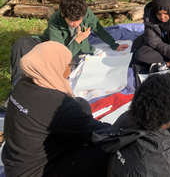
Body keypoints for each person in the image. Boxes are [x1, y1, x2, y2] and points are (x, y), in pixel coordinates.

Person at [2, 41, 111, 177]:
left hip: (14, 162)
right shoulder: (59, 105)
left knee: (81, 103)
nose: (71, 70)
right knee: (106, 152)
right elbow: (102, 132)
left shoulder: (23, 83)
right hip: (37, 172)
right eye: (70, 65)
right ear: (54, 66)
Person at [9, 0, 128, 89]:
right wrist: (78, 39)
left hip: (75, 51)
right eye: (71, 21)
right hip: (54, 45)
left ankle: (37, 84)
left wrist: (114, 44)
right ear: (62, 14)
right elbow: (59, 53)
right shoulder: (55, 21)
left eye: (79, 20)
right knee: (21, 42)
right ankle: (17, 85)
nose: (75, 24)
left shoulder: (85, 12)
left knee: (63, 69)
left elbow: (99, 29)